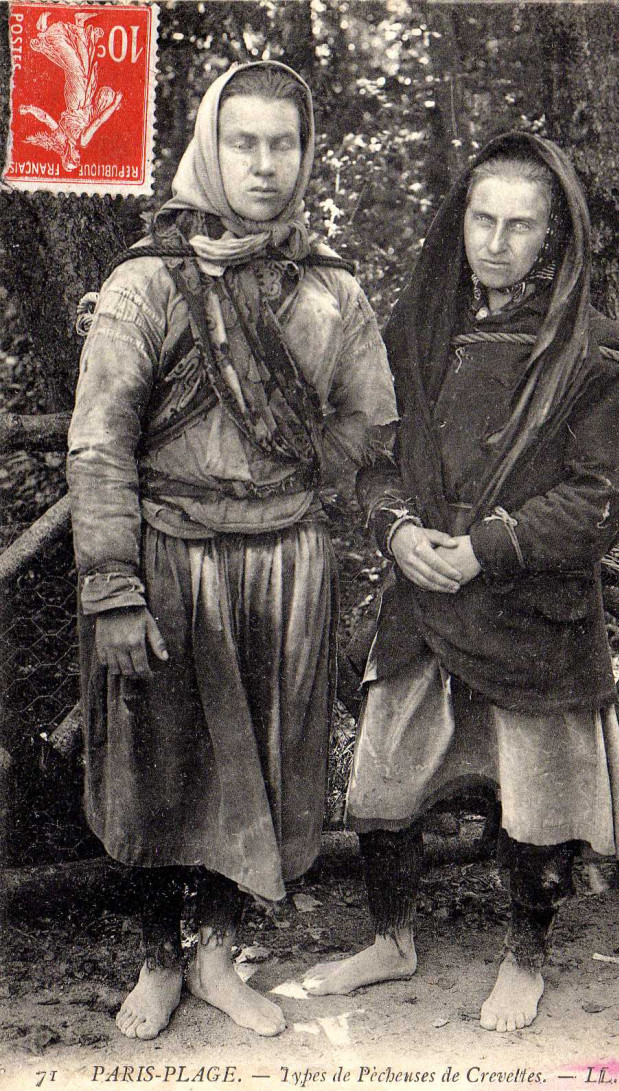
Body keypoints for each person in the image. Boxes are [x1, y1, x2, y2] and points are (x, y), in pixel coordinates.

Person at [67, 61, 397, 1041]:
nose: (263, 163)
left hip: (285, 570)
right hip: (167, 566)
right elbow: (99, 439)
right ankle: (159, 959)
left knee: (253, 772)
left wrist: (303, 480)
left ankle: (216, 952)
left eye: (283, 143)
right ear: (212, 146)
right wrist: (113, 587)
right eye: (244, 141)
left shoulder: (330, 287)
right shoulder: (145, 284)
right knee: (161, 771)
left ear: (305, 154)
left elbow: (367, 421)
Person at [303, 132, 619, 1033]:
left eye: (519, 226)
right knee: (385, 779)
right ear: (460, 223)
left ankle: (525, 959)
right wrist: (396, 528)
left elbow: (599, 500)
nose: (496, 242)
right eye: (482, 219)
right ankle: (391, 940)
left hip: (531, 606)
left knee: (537, 793)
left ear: (551, 239)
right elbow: (373, 458)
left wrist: (489, 546)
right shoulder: (414, 335)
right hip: (422, 595)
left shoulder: (594, 354)